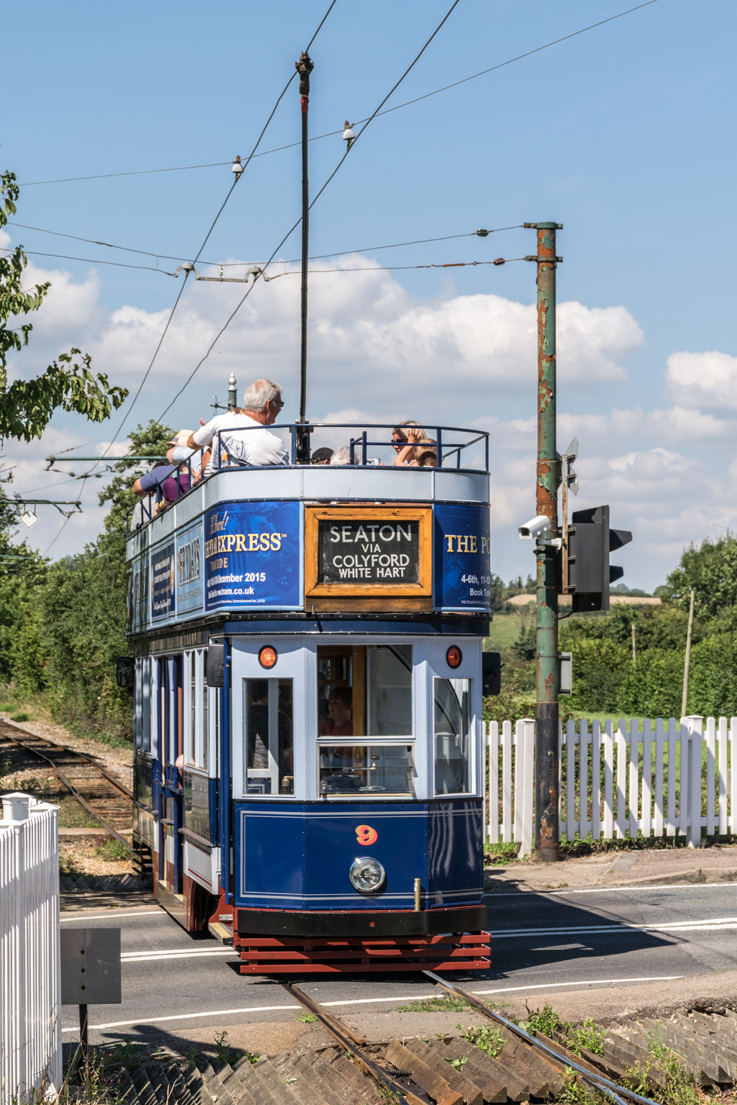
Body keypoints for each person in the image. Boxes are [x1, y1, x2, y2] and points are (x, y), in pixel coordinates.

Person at [184, 379, 289, 476]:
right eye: (280, 404)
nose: (280, 409)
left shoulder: (220, 421)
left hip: (217, 492)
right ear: (269, 404)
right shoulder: (276, 446)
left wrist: (211, 439)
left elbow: (191, 443)